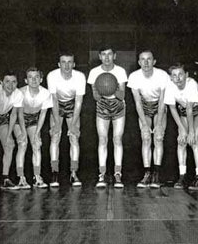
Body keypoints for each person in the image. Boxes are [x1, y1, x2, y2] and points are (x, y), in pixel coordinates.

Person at [127, 50, 169, 188]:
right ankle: (147, 173)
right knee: (146, 137)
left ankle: (156, 174)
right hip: (144, 106)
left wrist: (158, 123)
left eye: (149, 59)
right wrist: (145, 125)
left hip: (159, 106)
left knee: (158, 137)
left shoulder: (162, 75)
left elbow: (163, 100)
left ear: (154, 61)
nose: (146, 62)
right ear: (139, 62)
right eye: (143, 59)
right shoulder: (134, 76)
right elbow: (138, 102)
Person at [87, 46, 128, 188]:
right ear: (99, 56)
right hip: (102, 105)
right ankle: (102, 174)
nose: (106, 57)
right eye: (103, 54)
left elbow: (122, 95)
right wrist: (102, 88)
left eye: (109, 54)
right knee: (102, 139)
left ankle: (118, 173)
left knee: (117, 139)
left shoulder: (120, 71)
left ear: (114, 56)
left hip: (118, 105)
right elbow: (95, 96)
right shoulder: (94, 72)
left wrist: (111, 86)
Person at [164, 63, 198, 190]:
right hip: (183, 112)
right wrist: (182, 130)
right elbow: (172, 109)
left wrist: (191, 132)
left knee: (194, 140)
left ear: (186, 75)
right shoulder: (170, 86)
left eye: (181, 74)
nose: (178, 78)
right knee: (181, 141)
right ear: (171, 77)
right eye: (174, 75)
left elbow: (190, 109)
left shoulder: (192, 84)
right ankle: (182, 176)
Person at [47, 53, 86, 187]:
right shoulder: (52, 76)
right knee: (55, 137)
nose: (66, 65)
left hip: (72, 104)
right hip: (57, 103)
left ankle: (74, 173)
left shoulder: (80, 77)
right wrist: (57, 124)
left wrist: (73, 125)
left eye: (70, 62)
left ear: (74, 64)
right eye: (63, 62)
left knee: (74, 137)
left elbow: (79, 102)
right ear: (59, 64)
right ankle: (54, 172)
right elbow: (53, 100)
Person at [0, 71, 28, 193]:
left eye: (14, 81)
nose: (10, 85)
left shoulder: (18, 93)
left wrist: (9, 135)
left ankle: (5, 178)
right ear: (1, 83)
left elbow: (14, 114)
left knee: (9, 144)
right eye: (7, 81)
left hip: (3, 118)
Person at [14, 67, 53, 188]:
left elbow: (42, 114)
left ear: (41, 79)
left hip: (34, 119)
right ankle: (21, 178)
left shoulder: (46, 93)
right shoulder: (20, 92)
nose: (34, 80)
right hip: (18, 120)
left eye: (36, 77)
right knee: (23, 143)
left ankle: (37, 176)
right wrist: (23, 133)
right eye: (30, 77)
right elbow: (19, 114)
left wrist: (37, 133)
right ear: (26, 80)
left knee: (36, 144)